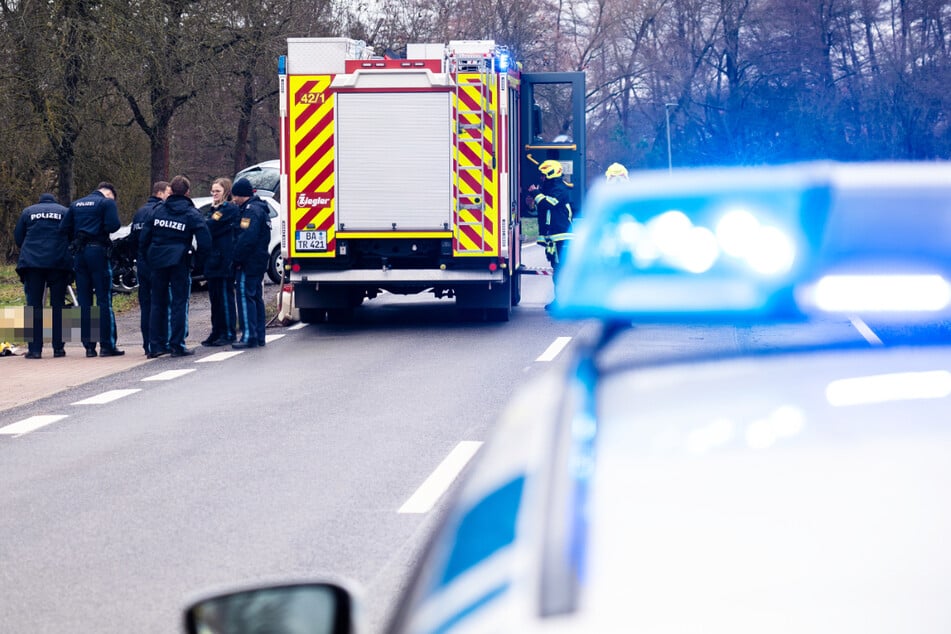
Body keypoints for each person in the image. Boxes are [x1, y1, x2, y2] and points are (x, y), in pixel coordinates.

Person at [140, 175, 211, 358]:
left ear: (170, 190)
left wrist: (149, 257)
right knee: (179, 303)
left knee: (157, 303)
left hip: (157, 261)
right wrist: (197, 263)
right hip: (179, 261)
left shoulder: (157, 210)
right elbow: (205, 240)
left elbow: (144, 238)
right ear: (187, 192)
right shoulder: (191, 213)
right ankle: (177, 344)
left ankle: (155, 346)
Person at [60, 181, 125, 357]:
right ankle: (107, 345)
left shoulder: (76, 204)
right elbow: (114, 226)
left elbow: (64, 228)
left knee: (84, 300)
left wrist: (78, 237)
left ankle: (89, 347)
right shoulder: (106, 203)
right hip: (98, 252)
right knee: (104, 300)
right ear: (108, 193)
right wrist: (99, 230)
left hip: (79, 254)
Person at [14, 193, 73, 359]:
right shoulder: (64, 212)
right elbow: (71, 236)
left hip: (33, 264)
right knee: (59, 306)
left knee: (33, 306)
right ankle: (59, 348)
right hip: (58, 263)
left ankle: (34, 350)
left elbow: (19, 237)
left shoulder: (27, 212)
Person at [129, 181, 171, 355]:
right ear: (160, 193)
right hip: (155, 262)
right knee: (160, 303)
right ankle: (160, 343)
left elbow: (133, 238)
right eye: (168, 193)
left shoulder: (139, 212)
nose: (170, 196)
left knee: (145, 305)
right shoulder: (160, 211)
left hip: (141, 263)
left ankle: (147, 343)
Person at [230, 177, 271, 349]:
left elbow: (247, 238)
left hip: (249, 262)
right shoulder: (260, 208)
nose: (233, 199)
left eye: (235, 195)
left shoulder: (250, 211)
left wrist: (237, 259)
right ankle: (259, 335)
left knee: (246, 297)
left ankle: (249, 336)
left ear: (241, 195)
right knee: (255, 297)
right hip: (258, 260)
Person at [529, 159, 574, 311]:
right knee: (557, 269)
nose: (541, 178)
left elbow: (549, 204)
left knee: (562, 270)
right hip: (554, 238)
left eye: (543, 175)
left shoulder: (559, 189)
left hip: (562, 237)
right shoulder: (550, 189)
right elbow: (543, 212)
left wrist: (536, 193)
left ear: (551, 174)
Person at [201, 177, 239, 347]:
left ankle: (229, 332)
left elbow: (210, 225)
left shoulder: (229, 209)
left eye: (218, 191)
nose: (214, 194)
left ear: (226, 192)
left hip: (224, 260)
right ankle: (216, 331)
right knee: (214, 299)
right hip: (212, 259)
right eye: (213, 191)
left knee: (225, 297)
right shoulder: (213, 209)